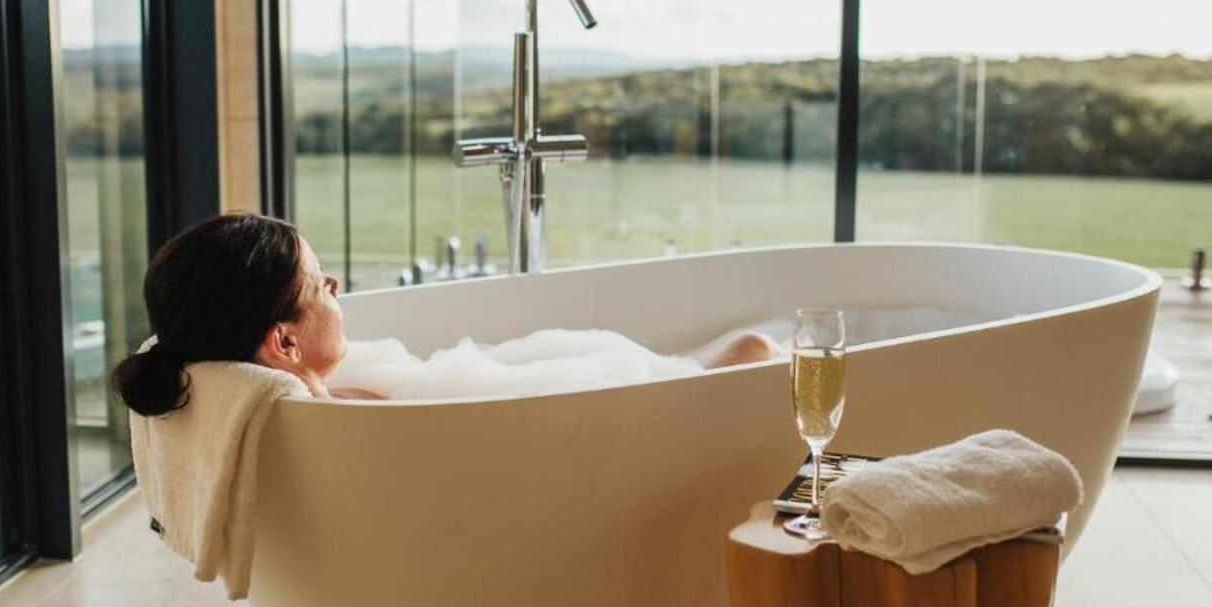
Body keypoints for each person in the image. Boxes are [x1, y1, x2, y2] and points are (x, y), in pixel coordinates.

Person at [111, 213, 778, 414]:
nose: (338, 286)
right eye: (321, 284)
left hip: (616, 397)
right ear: (284, 343)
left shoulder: (326, 403)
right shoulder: (357, 419)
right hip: (634, 408)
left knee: (751, 348)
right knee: (756, 350)